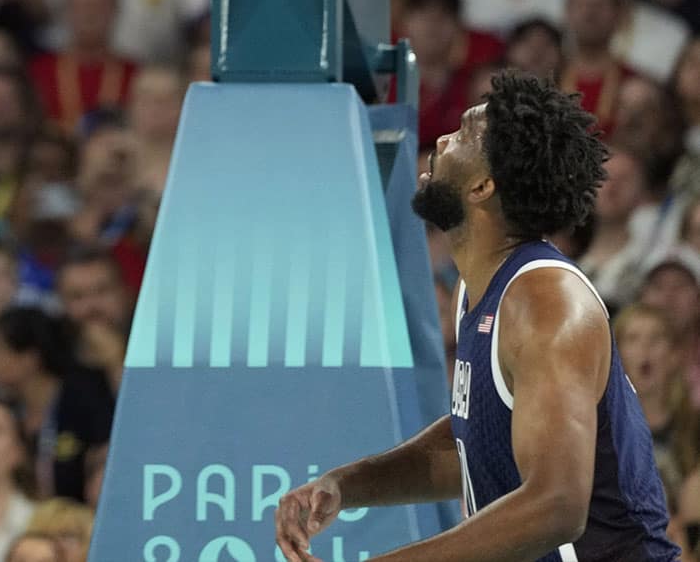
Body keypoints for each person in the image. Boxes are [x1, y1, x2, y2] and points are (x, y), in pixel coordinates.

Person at [275, 71, 676, 561]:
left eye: (463, 134)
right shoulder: (480, 285)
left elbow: (557, 505)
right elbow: (472, 443)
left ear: (484, 185)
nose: (441, 140)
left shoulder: (547, 303)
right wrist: (346, 485)